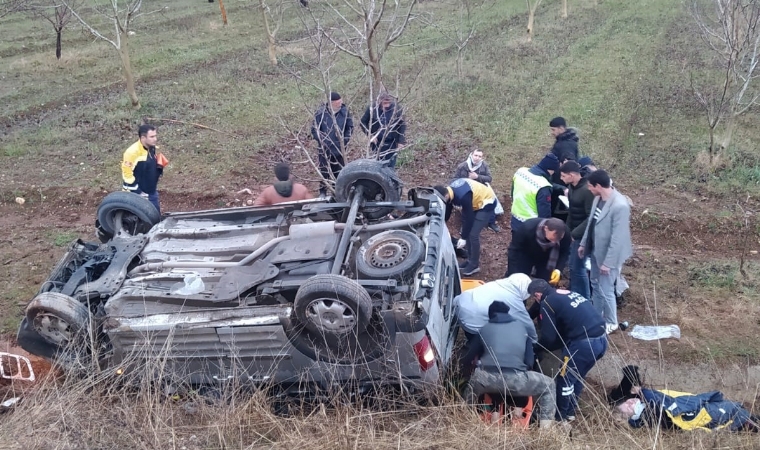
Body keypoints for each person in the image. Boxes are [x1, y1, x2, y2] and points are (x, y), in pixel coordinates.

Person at [462, 301, 560, 430]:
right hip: (517, 379)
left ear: (490, 315)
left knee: (470, 392)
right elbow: (529, 362)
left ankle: (466, 423)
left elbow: (468, 358)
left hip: (487, 379)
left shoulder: (484, 329)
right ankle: (545, 433)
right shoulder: (522, 329)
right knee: (549, 385)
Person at [527, 278, 607, 422]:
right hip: (601, 340)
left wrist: (536, 348)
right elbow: (533, 312)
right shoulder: (565, 293)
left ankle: (560, 417)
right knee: (577, 376)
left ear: (537, 295)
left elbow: (549, 338)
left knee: (565, 379)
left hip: (583, 344)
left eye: (534, 298)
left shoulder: (547, 303)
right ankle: (570, 412)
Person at [579, 169, 632, 334]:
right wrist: (583, 244)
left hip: (609, 256)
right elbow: (591, 223)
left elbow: (618, 238)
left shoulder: (620, 206)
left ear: (599, 186)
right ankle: (596, 315)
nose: (588, 189)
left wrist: (608, 263)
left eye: (590, 186)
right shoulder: (598, 199)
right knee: (595, 284)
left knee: (606, 289)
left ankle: (611, 322)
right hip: (595, 251)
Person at [615, 385, 759, 432]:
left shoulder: (646, 403)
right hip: (713, 414)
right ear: (630, 417)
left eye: (628, 401)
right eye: (628, 407)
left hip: (710, 409)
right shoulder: (649, 415)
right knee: (741, 417)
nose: (630, 402)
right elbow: (661, 406)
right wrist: (644, 391)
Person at [434, 178, 497, 276]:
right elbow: (448, 211)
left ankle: (474, 265)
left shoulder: (462, 196)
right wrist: (441, 223)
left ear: (445, 196)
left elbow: (469, 218)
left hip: (486, 203)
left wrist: (463, 238)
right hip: (475, 203)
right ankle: (470, 259)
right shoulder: (449, 194)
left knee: (473, 235)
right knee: (467, 232)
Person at [454, 273, 536, 342]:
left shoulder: (499, 283)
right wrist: (534, 340)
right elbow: (527, 324)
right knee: (481, 341)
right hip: (473, 319)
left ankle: (471, 343)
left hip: (461, 303)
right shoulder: (513, 298)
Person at [559, 160, 595, 300]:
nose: (561, 179)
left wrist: (574, 234)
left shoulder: (587, 191)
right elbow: (572, 212)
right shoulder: (572, 188)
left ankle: (583, 299)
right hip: (574, 232)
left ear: (572, 175)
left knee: (578, 268)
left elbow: (590, 218)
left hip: (583, 235)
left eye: (563, 176)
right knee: (574, 267)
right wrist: (567, 230)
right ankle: (576, 295)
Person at [311, 91, 354, 197]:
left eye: (341, 101)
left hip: (340, 148)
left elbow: (350, 127)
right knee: (324, 170)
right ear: (331, 103)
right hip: (325, 149)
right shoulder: (320, 113)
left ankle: (338, 192)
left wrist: (345, 140)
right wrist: (322, 141)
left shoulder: (345, 112)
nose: (340, 104)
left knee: (339, 171)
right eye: (337, 102)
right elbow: (314, 129)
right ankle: (323, 191)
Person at [506, 217, 570, 283]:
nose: (555, 242)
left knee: (545, 282)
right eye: (553, 238)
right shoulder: (527, 228)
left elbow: (564, 252)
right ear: (546, 228)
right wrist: (513, 272)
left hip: (548, 258)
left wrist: (558, 269)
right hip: (526, 254)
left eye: (559, 239)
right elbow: (514, 250)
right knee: (519, 279)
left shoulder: (565, 234)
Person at [122, 124, 167, 214]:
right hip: (138, 196)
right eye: (152, 136)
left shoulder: (151, 147)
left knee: (156, 220)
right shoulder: (132, 153)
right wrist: (140, 193)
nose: (155, 139)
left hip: (151, 192)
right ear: (143, 138)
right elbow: (127, 175)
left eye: (155, 136)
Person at [453, 149, 502, 232]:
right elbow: (454, 179)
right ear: (471, 155)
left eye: (480, 156)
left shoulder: (484, 165)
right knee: (467, 205)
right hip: (467, 190)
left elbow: (489, 178)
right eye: (476, 155)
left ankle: (491, 223)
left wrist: (477, 177)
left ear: (482, 158)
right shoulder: (462, 166)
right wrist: (465, 180)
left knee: (490, 201)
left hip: (481, 189)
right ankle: (465, 225)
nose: (477, 158)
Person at [510, 153, 559, 234]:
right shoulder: (543, 186)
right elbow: (544, 215)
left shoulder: (521, 171)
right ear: (549, 170)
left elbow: (512, 193)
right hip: (531, 226)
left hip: (515, 219)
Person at [359, 92, 406, 169]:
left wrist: (401, 141)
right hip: (377, 142)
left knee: (391, 164)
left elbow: (402, 125)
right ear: (379, 102)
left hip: (392, 141)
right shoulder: (372, 108)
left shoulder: (397, 108)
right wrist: (371, 136)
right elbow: (362, 122)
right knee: (377, 164)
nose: (387, 105)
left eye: (388, 103)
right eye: (385, 103)